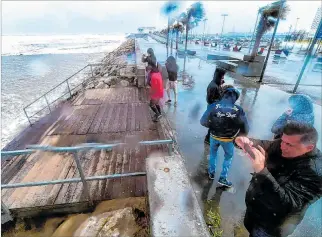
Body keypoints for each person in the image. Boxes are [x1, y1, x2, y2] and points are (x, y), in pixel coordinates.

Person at [235, 122, 322, 237]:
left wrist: (262, 172)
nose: (282, 147)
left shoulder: (315, 173)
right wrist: (244, 142)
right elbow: (264, 144)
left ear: (309, 147)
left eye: (289, 145)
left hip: (272, 225)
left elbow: (287, 205)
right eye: (282, 141)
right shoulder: (282, 145)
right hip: (256, 210)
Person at [200, 87, 249, 186]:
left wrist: (213, 126)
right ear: (235, 97)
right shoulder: (239, 110)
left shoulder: (213, 106)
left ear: (223, 95)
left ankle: (211, 173)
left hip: (214, 136)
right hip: (228, 139)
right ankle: (223, 178)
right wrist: (238, 137)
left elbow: (203, 121)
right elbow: (245, 128)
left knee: (213, 154)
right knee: (228, 157)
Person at [204, 67, 226, 145]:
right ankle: (208, 139)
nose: (223, 78)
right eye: (222, 76)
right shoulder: (213, 86)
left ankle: (209, 138)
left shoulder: (216, 83)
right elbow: (210, 100)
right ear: (219, 76)